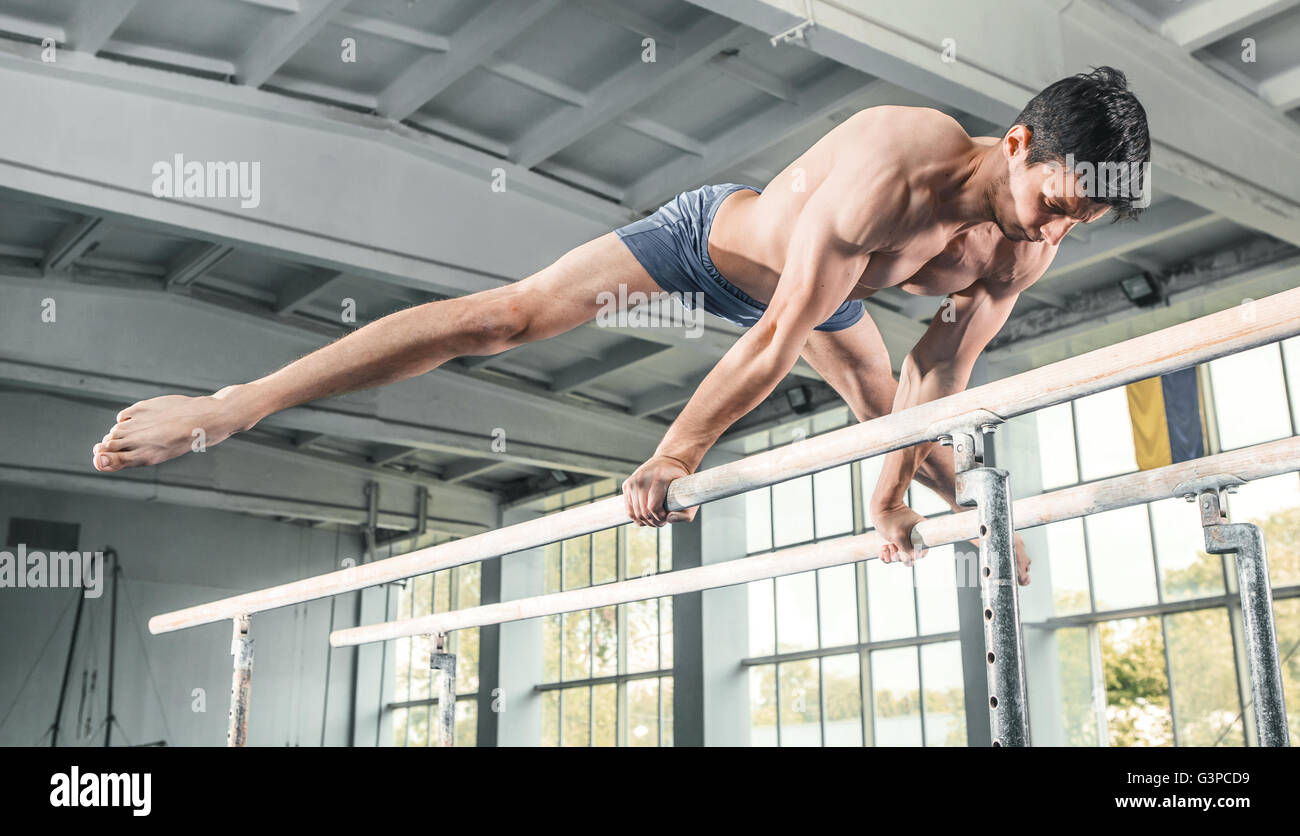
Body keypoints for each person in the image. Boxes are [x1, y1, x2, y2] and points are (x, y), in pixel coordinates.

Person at [92, 67, 1150, 585]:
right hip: (717, 247)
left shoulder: (1026, 245)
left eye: (1080, 221)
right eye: (1054, 200)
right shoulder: (898, 157)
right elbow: (776, 332)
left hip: (828, 299)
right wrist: (674, 450)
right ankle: (231, 406)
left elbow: (937, 370)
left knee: (908, 434)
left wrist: (886, 482)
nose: (1056, 228)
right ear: (1015, 143)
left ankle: (970, 516)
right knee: (504, 319)